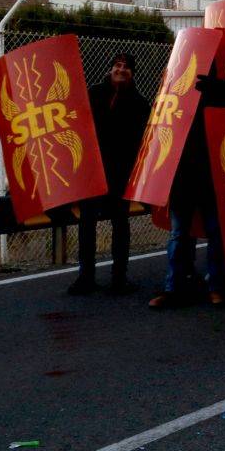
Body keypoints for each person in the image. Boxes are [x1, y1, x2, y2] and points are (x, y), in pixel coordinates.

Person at [149, 64, 225, 309]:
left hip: (211, 175)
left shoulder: (222, 91)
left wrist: (215, 89)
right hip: (181, 178)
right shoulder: (174, 92)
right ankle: (173, 288)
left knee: (216, 234)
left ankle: (216, 287)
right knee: (178, 235)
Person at [68, 52, 149, 296]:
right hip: (92, 171)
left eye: (126, 67)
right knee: (87, 224)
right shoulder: (92, 95)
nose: (121, 69)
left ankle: (119, 278)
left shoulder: (139, 103)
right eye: (117, 65)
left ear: (133, 73)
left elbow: (144, 141)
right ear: (110, 68)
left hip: (120, 173)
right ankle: (86, 277)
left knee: (120, 225)